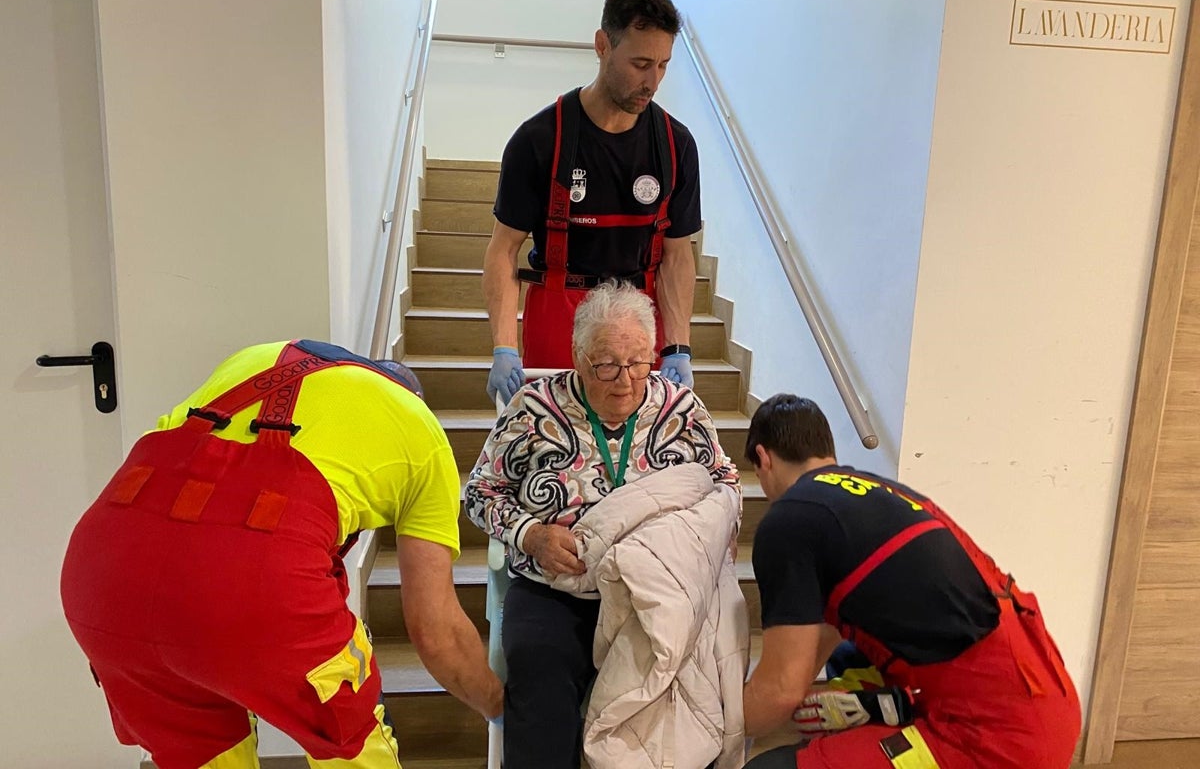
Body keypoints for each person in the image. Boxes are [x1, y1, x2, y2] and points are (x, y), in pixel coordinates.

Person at [60, 340, 502, 769]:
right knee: (348, 742)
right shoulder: (422, 433)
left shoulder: (252, 359)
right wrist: (500, 706)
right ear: (413, 399)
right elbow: (435, 629)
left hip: (101, 578)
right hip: (257, 584)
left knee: (202, 750)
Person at [465, 281, 740, 769]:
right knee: (539, 679)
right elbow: (480, 493)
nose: (625, 380)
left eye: (638, 363)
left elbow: (724, 489)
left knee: (685, 697)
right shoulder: (532, 408)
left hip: (655, 590)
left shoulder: (683, 410)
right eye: (607, 365)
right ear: (577, 355)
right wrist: (533, 535)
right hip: (556, 590)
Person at [740, 395, 1080, 769]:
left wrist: (714, 731)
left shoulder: (788, 520)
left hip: (995, 742)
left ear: (764, 457)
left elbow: (779, 691)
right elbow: (824, 638)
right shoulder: (884, 493)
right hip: (1049, 702)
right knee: (848, 657)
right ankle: (892, 712)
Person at [483, 0, 702, 403]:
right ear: (603, 45)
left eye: (663, 65)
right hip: (558, 310)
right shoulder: (539, 140)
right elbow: (503, 248)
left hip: (640, 317)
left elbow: (677, 255)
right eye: (640, 64)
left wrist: (678, 347)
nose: (652, 81)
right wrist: (504, 345)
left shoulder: (677, 146)